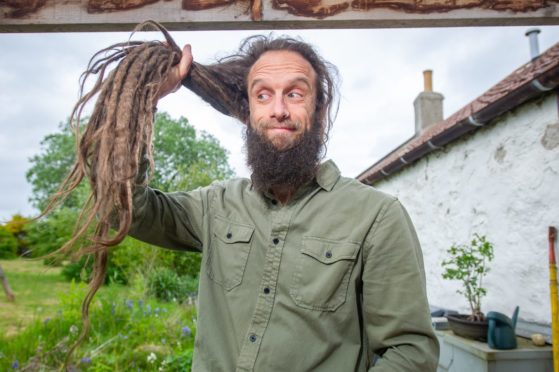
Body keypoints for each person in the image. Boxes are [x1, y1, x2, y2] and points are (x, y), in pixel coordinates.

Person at [131, 36, 439, 371]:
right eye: (263, 95)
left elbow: (410, 353)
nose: (278, 110)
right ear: (248, 112)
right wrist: (141, 102)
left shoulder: (377, 217)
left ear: (318, 109)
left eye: (294, 93)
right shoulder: (214, 205)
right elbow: (128, 210)